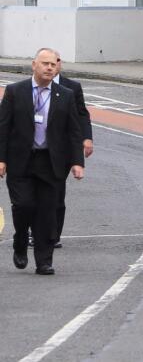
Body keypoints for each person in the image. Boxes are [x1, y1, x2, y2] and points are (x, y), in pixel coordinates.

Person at [0, 48, 85, 275]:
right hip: (21, 161)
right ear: (34, 65)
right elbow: (3, 127)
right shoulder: (15, 91)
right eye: (45, 63)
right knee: (24, 205)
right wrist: (1, 159)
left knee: (47, 212)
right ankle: (20, 240)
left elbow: (74, 131)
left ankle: (44, 261)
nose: (49, 67)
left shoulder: (65, 95)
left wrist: (78, 161)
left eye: (53, 64)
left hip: (50, 162)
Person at [50, 57, 92, 249]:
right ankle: (36, 229)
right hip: (36, 151)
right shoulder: (25, 89)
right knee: (37, 193)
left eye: (56, 61)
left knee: (57, 192)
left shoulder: (72, 87)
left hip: (63, 150)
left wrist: (87, 138)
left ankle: (53, 234)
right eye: (48, 61)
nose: (52, 65)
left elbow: (82, 114)